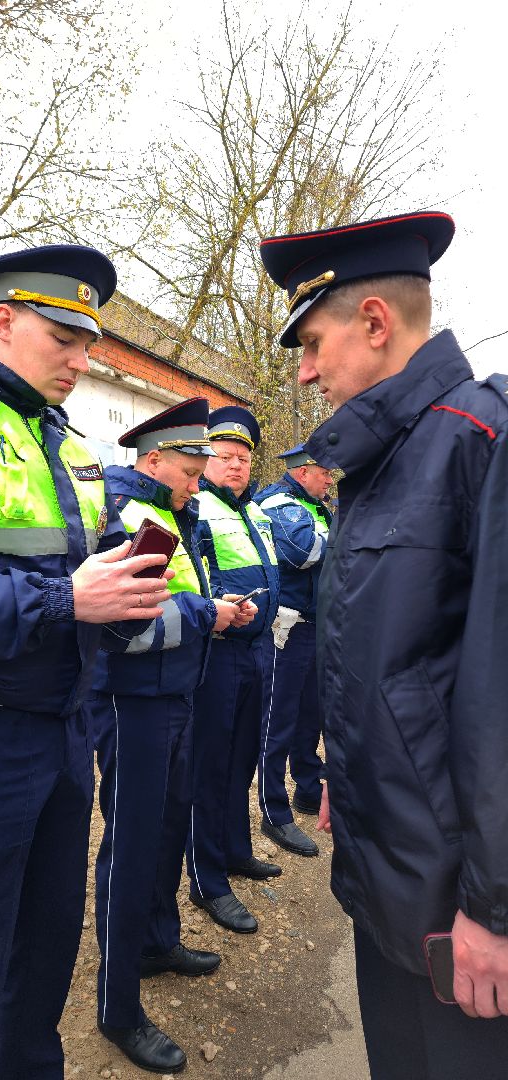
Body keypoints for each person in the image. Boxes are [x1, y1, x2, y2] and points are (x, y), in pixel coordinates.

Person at [0, 244, 173, 1080]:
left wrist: (124, 594)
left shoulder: (71, 445)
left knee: (49, 946)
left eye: (88, 344)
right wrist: (66, 602)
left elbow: (85, 571)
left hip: (65, 728)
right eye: (63, 338)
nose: (80, 361)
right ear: (5, 319)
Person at [259, 211, 508, 1080]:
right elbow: (396, 665)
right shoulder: (380, 458)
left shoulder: (481, 439)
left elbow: (497, 699)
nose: (305, 371)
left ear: (373, 322)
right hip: (386, 873)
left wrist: (496, 912)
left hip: (459, 906)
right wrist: (350, 773)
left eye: (311, 343)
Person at [83, 398, 256, 1075]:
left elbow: (181, 596)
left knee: (168, 829)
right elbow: (124, 627)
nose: (197, 480)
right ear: (153, 459)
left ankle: (157, 942)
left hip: (179, 694)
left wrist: (213, 610)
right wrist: (208, 614)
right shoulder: (125, 514)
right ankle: (117, 1005)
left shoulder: (179, 514)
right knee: (132, 846)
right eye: (189, 470)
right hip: (134, 703)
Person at [187, 406, 281, 934]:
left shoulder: (256, 511)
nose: (236, 465)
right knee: (210, 764)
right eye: (225, 457)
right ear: (206, 460)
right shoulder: (196, 507)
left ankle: (235, 849)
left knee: (243, 756)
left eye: (243, 458)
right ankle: (207, 879)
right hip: (218, 652)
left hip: (258, 650)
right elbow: (195, 578)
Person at [254, 447, 333, 855]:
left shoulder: (316, 508)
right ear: (303, 472)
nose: (330, 480)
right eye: (324, 473)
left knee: (310, 717)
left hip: (316, 626)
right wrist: (344, 537)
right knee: (278, 721)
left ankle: (307, 789)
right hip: (288, 628)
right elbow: (302, 553)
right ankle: (274, 812)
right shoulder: (278, 503)